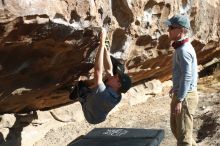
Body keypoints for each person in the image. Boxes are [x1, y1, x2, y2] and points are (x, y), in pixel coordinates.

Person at [69, 27, 132, 124]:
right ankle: (88, 91)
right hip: (100, 113)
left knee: (90, 84)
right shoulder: (118, 95)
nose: (114, 76)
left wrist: (101, 44)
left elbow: (98, 71)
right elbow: (108, 70)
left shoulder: (103, 94)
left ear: (118, 85)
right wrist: (106, 50)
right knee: (106, 77)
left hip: (91, 116)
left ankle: (76, 92)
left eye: (116, 78)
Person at [165, 14, 199, 146]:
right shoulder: (180, 47)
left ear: (181, 30)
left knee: (184, 138)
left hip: (185, 97)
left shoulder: (184, 50)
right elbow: (183, 74)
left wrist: (180, 99)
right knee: (177, 130)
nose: (168, 30)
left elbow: (187, 76)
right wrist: (176, 87)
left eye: (171, 27)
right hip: (181, 93)